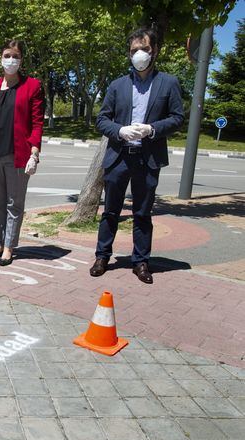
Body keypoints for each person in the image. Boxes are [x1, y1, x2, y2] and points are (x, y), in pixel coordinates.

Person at [90, 27, 184, 284]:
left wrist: (152, 129)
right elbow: (101, 120)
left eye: (144, 49)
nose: (139, 54)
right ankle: (102, 256)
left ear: (155, 51)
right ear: (129, 53)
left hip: (147, 158)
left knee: (142, 213)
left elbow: (177, 118)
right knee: (111, 210)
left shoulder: (168, 83)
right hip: (119, 156)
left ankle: (141, 261)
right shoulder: (118, 85)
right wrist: (120, 130)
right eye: (134, 50)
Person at [0, 39, 44, 266]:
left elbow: (37, 123)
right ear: (0, 59)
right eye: (7, 55)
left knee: (14, 203)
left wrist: (34, 153)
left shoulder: (32, 86)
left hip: (18, 156)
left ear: (21, 60)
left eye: (15, 56)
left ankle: (9, 247)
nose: (11, 60)